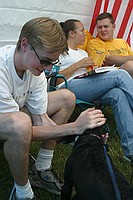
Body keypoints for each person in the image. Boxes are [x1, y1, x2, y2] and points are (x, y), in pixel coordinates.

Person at [0, 17, 106, 200]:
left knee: (66, 97)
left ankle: (41, 167)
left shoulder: (36, 69)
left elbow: (41, 120)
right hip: (10, 120)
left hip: (15, 115)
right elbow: (24, 130)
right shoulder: (2, 67)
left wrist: (83, 137)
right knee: (20, 123)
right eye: (45, 61)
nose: (48, 68)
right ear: (24, 45)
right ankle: (23, 193)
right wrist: (73, 127)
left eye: (53, 62)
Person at [58, 19, 133, 165]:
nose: (85, 33)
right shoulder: (60, 52)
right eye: (81, 30)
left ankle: (130, 152)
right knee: (121, 75)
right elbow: (55, 81)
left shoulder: (83, 51)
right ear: (72, 33)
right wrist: (79, 64)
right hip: (69, 88)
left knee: (118, 94)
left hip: (88, 85)